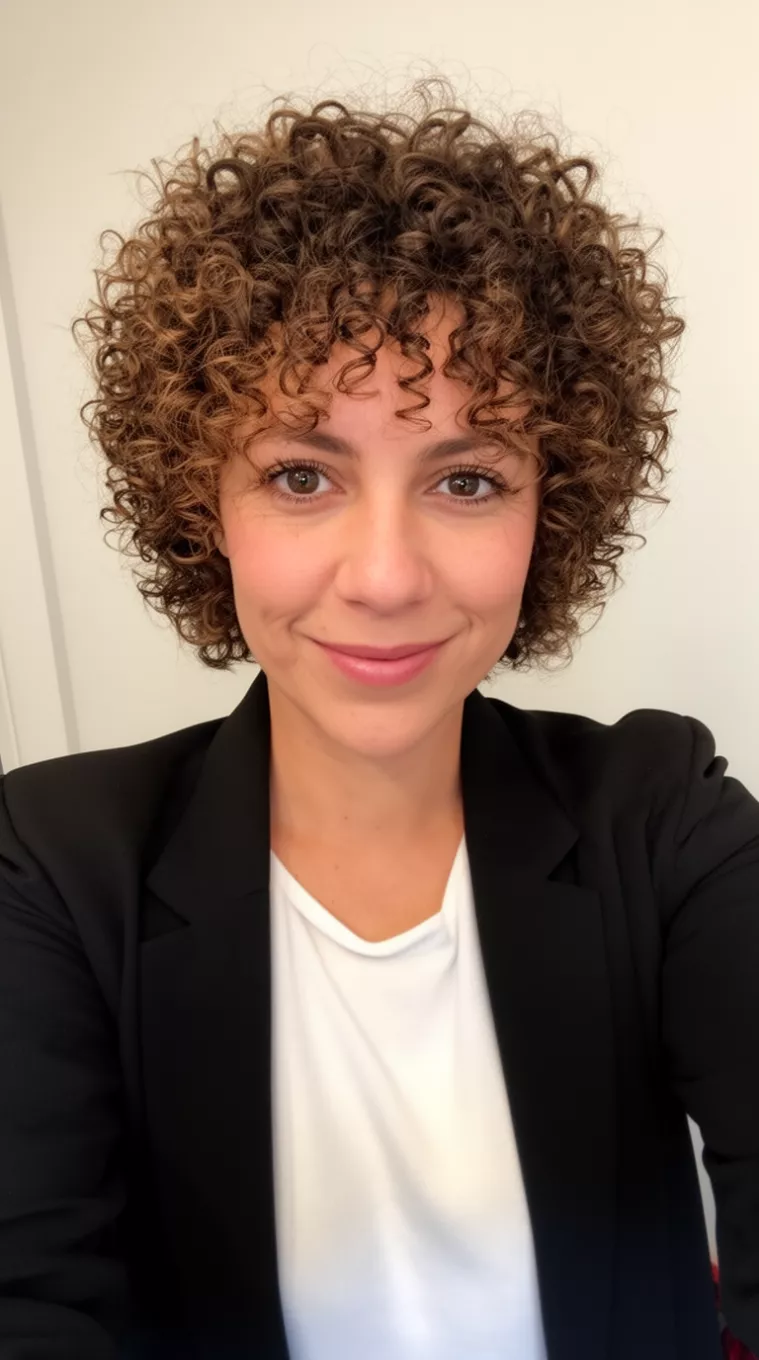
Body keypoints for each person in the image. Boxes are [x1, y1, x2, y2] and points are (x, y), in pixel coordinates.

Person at [0, 76, 757, 1360]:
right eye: (303, 474)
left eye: (467, 478)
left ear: (549, 511)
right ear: (206, 505)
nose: (389, 574)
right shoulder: (57, 866)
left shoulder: (661, 818)